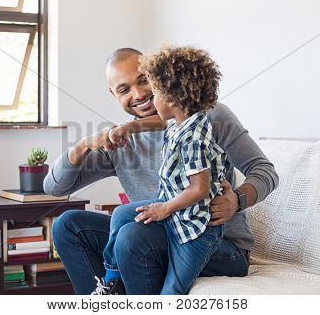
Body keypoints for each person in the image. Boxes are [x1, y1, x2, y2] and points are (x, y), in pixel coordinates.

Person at [44, 47, 279, 295]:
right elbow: (54, 188)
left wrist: (237, 200)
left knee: (132, 236)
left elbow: (264, 170)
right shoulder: (121, 139)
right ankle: (105, 296)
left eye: (144, 81)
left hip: (216, 243)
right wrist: (81, 146)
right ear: (113, 94)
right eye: (124, 89)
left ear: (159, 77)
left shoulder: (209, 116)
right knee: (68, 225)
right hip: (153, 233)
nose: (139, 94)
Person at [96, 46, 228, 295]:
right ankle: (111, 283)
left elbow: (200, 187)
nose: (148, 98)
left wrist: (164, 209)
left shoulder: (193, 138)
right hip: (179, 213)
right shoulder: (176, 125)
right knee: (122, 214)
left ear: (172, 99)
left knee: (172, 291)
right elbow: (159, 121)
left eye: (155, 91)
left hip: (196, 227)